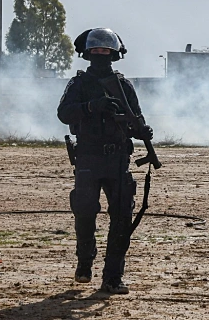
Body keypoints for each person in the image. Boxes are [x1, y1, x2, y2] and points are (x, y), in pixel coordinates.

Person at [57, 28, 153, 294]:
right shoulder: (78, 84)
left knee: (122, 217)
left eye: (106, 50)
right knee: (85, 212)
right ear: (88, 53)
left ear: (114, 54)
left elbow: (136, 118)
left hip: (118, 160)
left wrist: (142, 131)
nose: (101, 54)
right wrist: (91, 107)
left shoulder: (124, 85)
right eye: (96, 50)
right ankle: (85, 263)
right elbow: (63, 113)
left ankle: (112, 276)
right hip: (88, 156)